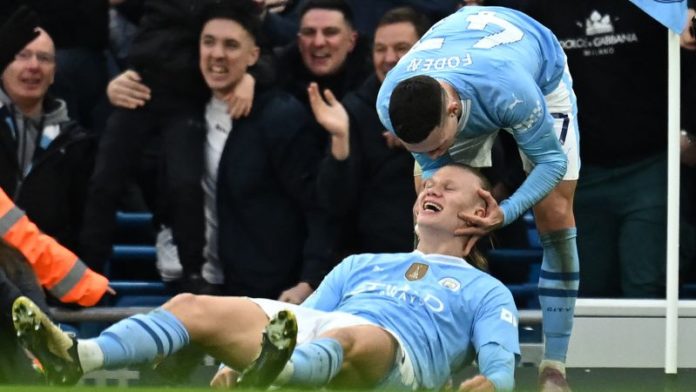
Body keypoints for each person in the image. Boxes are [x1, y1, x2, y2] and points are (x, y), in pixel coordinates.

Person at [13, 163, 520, 391]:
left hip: (396, 366)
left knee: (353, 337)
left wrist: (491, 385)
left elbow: (500, 362)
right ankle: (80, 358)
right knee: (192, 306)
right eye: (428, 182)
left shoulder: (485, 289)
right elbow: (300, 322)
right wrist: (256, 355)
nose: (432, 187)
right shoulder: (360, 264)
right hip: (322, 347)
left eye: (449, 186)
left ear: (481, 209)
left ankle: (274, 374)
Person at [376, 5, 579, 390]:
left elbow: (550, 163)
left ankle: (554, 365)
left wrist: (503, 213)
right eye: (421, 150)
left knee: (554, 209)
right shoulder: (389, 101)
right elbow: (430, 160)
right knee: (432, 215)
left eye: (438, 148)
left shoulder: (512, 91)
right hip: (467, 70)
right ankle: (427, 349)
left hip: (532, 64)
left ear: (453, 111)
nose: (435, 158)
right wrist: (441, 198)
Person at [193, 1, 336, 301]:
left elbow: (319, 205)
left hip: (268, 293)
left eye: (231, 45)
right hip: (199, 285)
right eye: (209, 42)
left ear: (253, 55)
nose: (217, 54)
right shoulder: (184, 112)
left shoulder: (281, 117)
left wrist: (309, 279)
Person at [308, 6, 430, 254]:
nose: (388, 58)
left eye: (401, 48)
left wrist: (425, 137)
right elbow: (333, 203)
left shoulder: (458, 103)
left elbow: (493, 173)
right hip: (374, 262)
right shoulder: (353, 110)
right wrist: (340, 141)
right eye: (380, 49)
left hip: (447, 258)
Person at [0, 27, 96, 252]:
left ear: (54, 73)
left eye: (44, 58)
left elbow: (82, 229)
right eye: (21, 55)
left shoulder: (77, 143)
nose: (33, 66)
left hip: (46, 276)